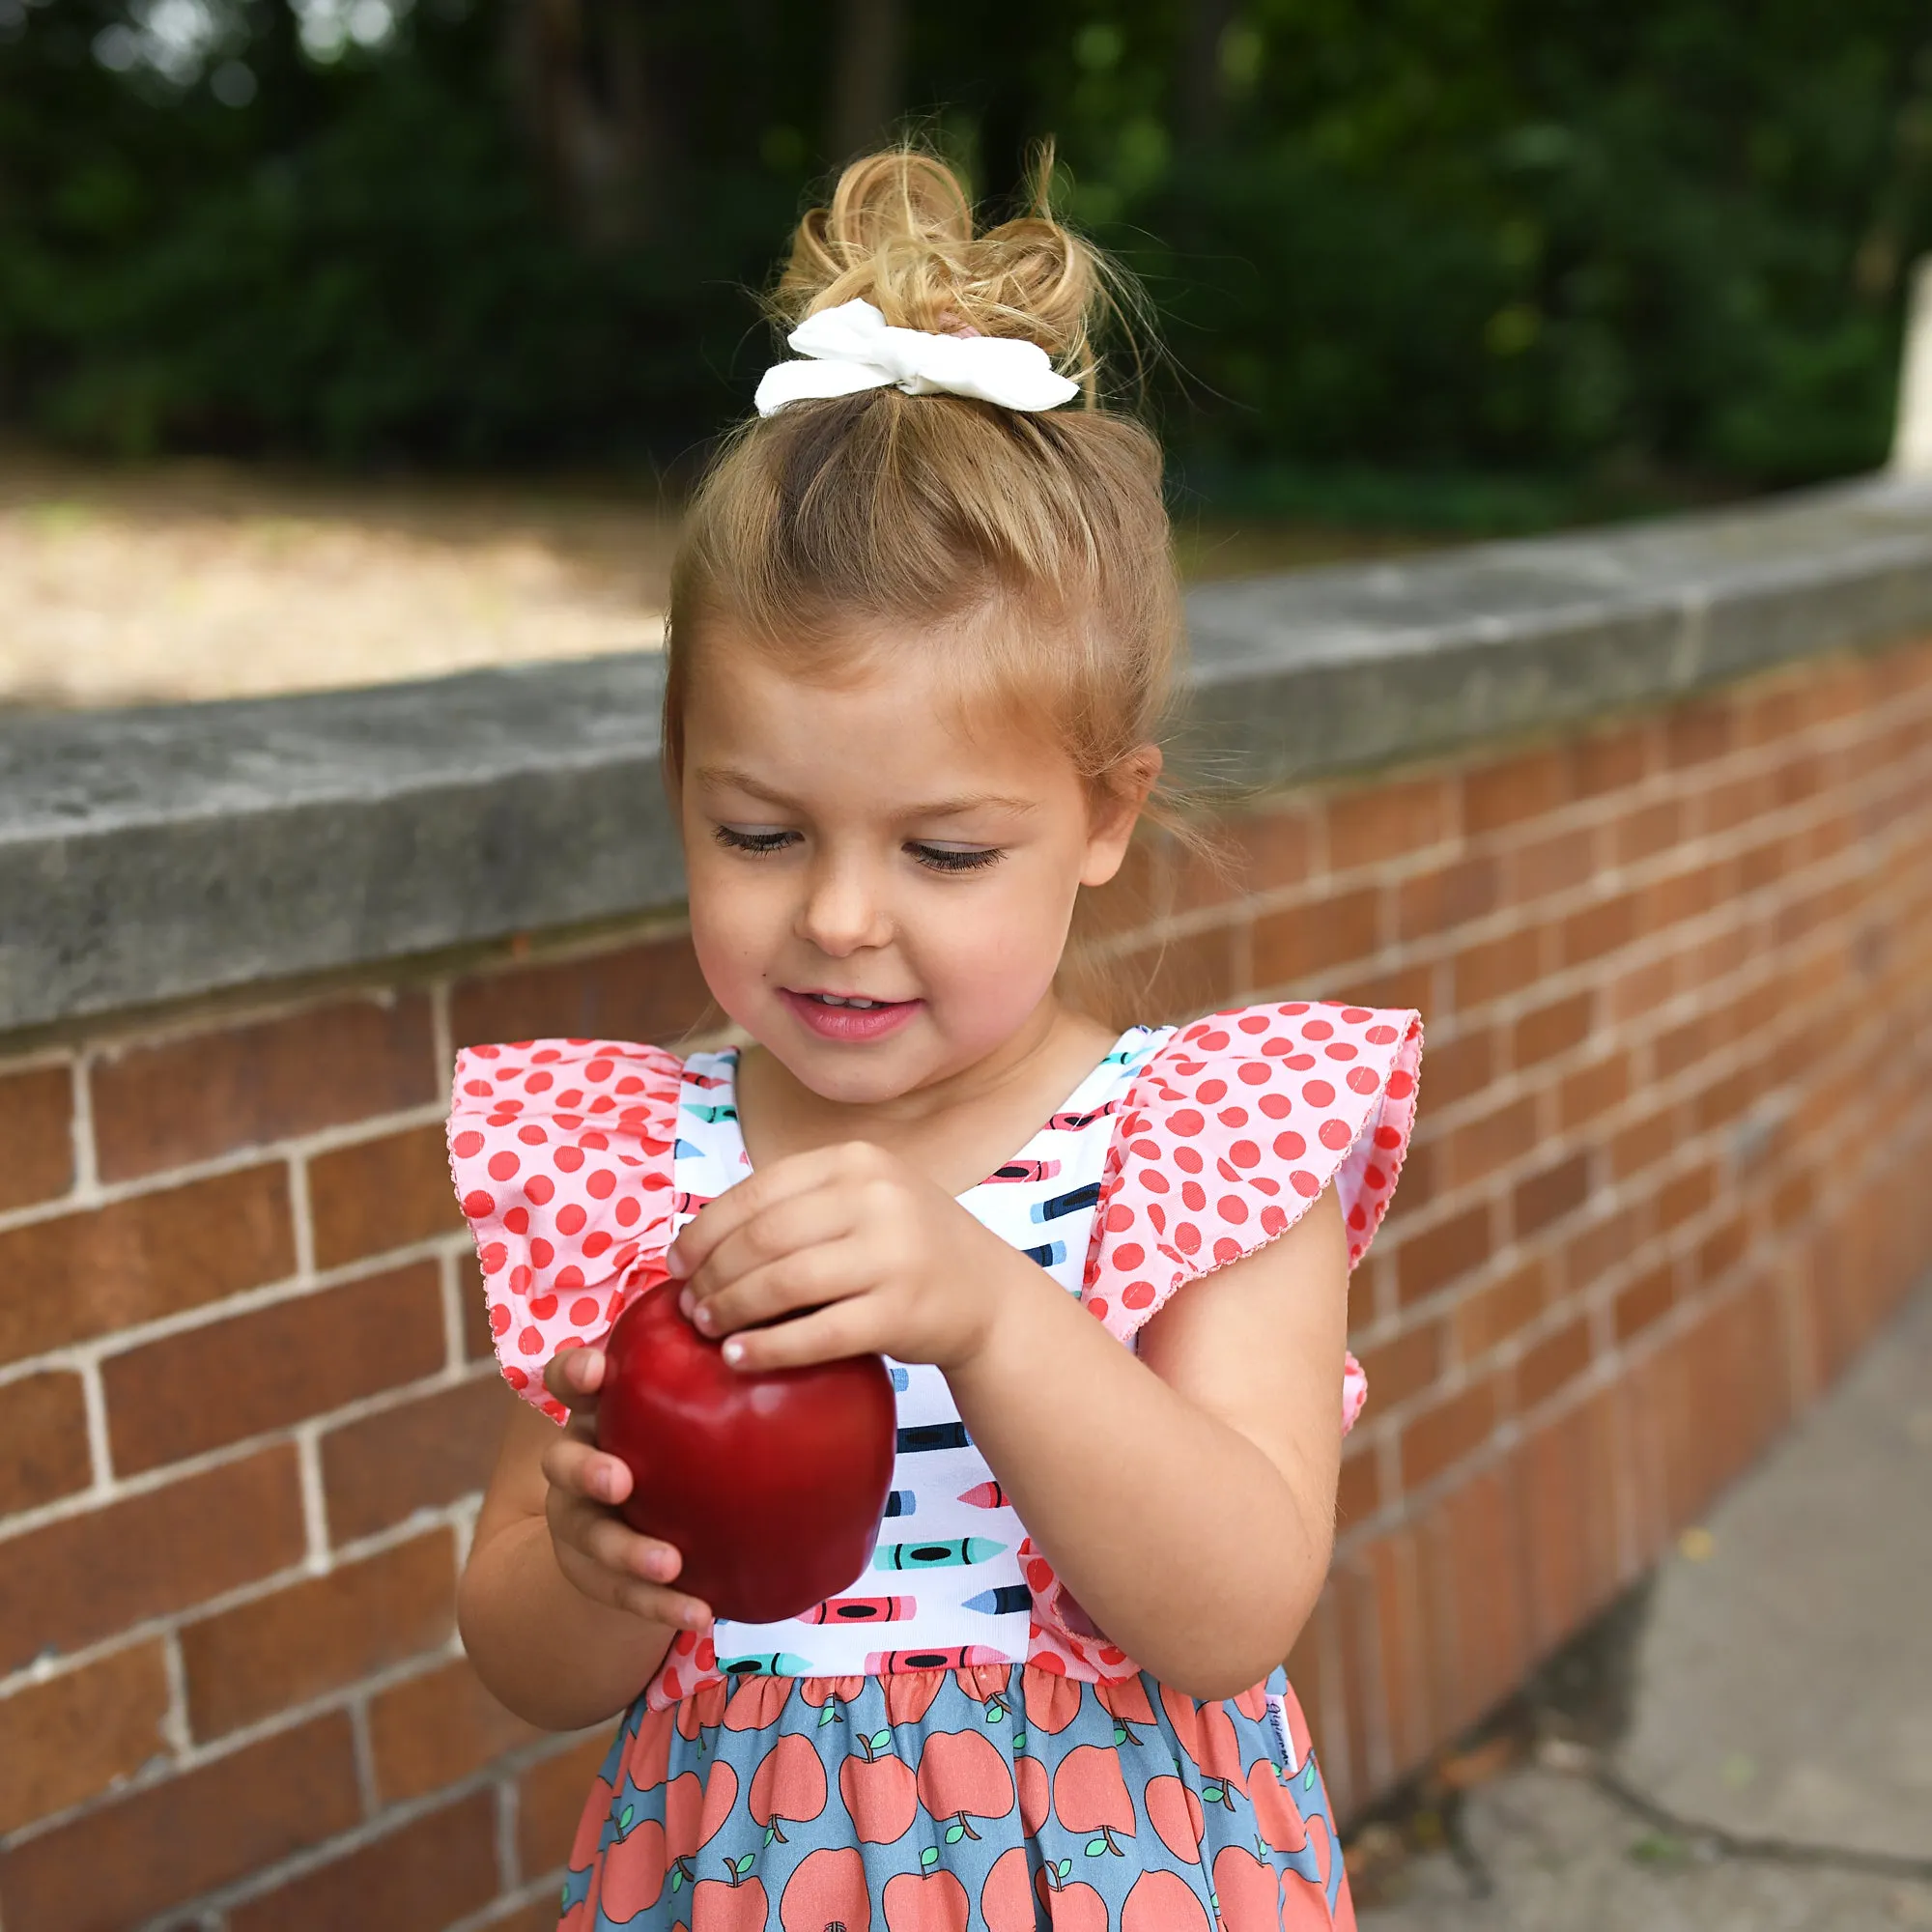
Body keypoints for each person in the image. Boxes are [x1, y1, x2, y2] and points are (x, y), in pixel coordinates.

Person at [452, 146, 1422, 1932]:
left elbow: (1229, 1611)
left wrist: (985, 1306)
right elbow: (520, 1648)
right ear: (678, 791)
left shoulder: (1201, 1152)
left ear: (1106, 814)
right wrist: (596, 1571)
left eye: (946, 851)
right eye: (757, 834)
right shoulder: (630, 1173)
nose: (836, 917)